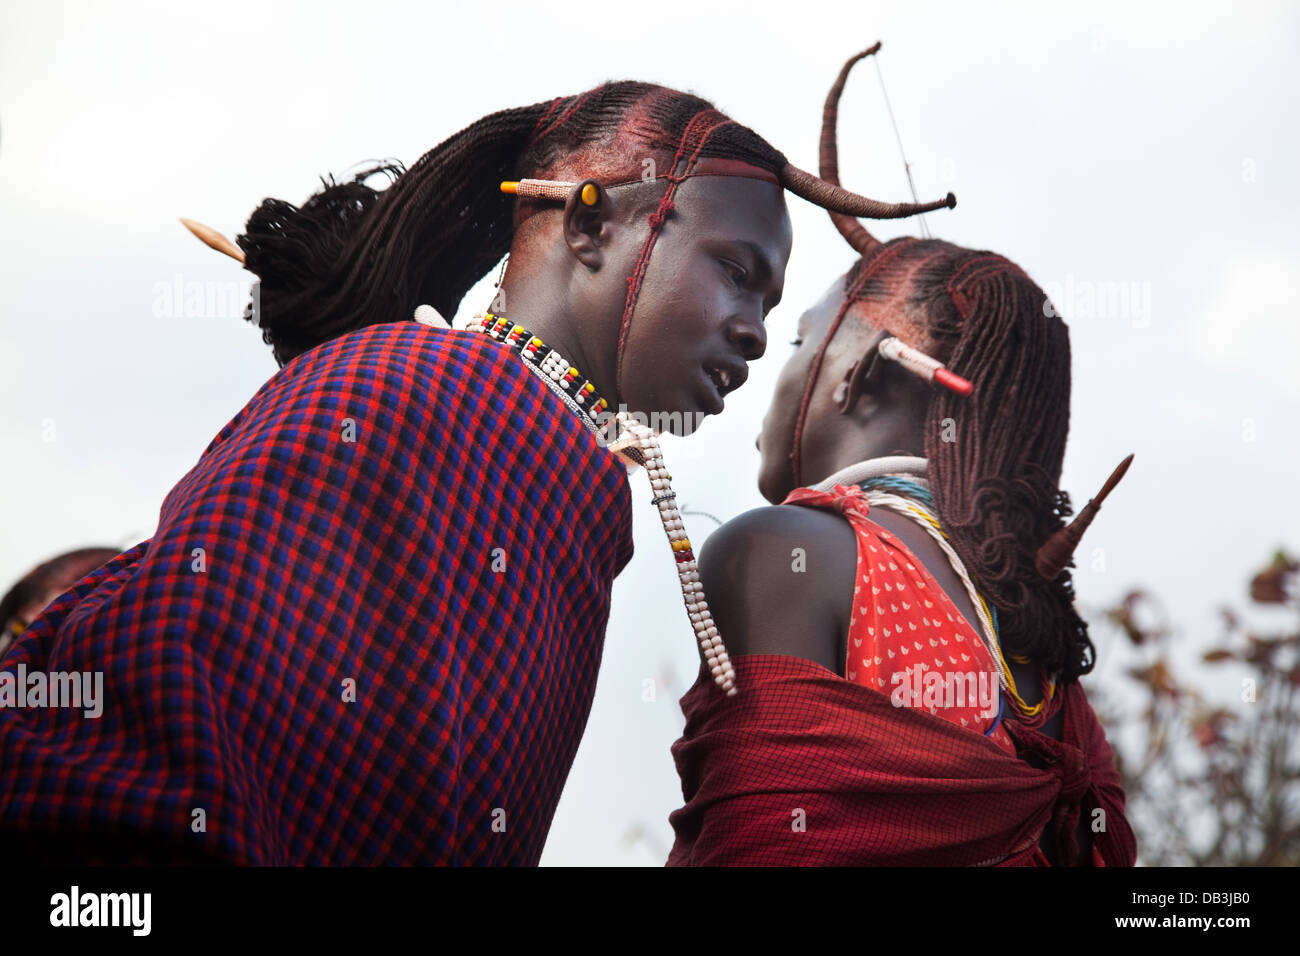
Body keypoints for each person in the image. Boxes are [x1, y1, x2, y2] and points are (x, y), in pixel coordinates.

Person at [0, 77, 947, 864]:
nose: (753, 327)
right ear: (591, 228)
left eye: (774, 301)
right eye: (738, 270)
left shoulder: (557, 465)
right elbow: (163, 709)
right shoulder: (423, 386)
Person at [667, 48, 1137, 867]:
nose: (768, 360)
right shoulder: (1049, 681)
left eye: (801, 338)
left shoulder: (783, 554)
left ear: (858, 372)